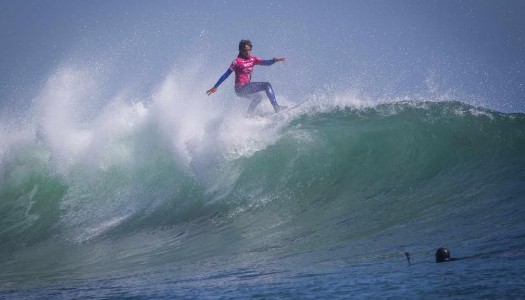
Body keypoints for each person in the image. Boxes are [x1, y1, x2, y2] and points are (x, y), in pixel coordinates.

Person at [206, 39, 287, 114]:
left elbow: (265, 62)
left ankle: (248, 116)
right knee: (267, 85)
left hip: (244, 89)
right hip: (240, 89)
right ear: (240, 50)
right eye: (245, 50)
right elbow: (226, 74)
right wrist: (215, 87)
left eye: (249, 50)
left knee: (258, 97)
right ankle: (276, 107)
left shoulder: (253, 59)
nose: (248, 52)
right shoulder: (236, 62)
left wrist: (274, 60)